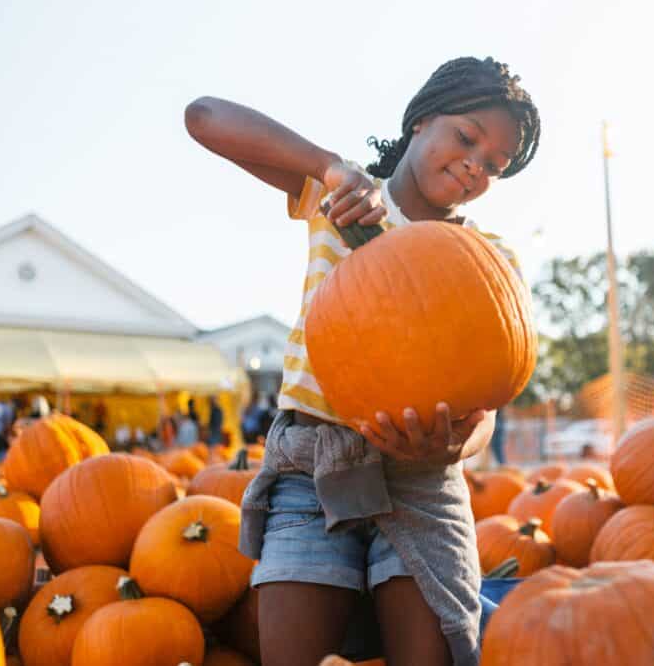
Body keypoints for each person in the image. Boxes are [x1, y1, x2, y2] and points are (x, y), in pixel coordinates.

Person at [185, 56, 539, 666]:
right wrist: (328, 166)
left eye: (494, 165)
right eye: (466, 137)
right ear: (422, 120)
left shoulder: (488, 254)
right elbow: (204, 118)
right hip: (313, 465)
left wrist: (455, 446)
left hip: (423, 479)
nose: (474, 166)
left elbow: (488, 406)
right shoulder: (339, 196)